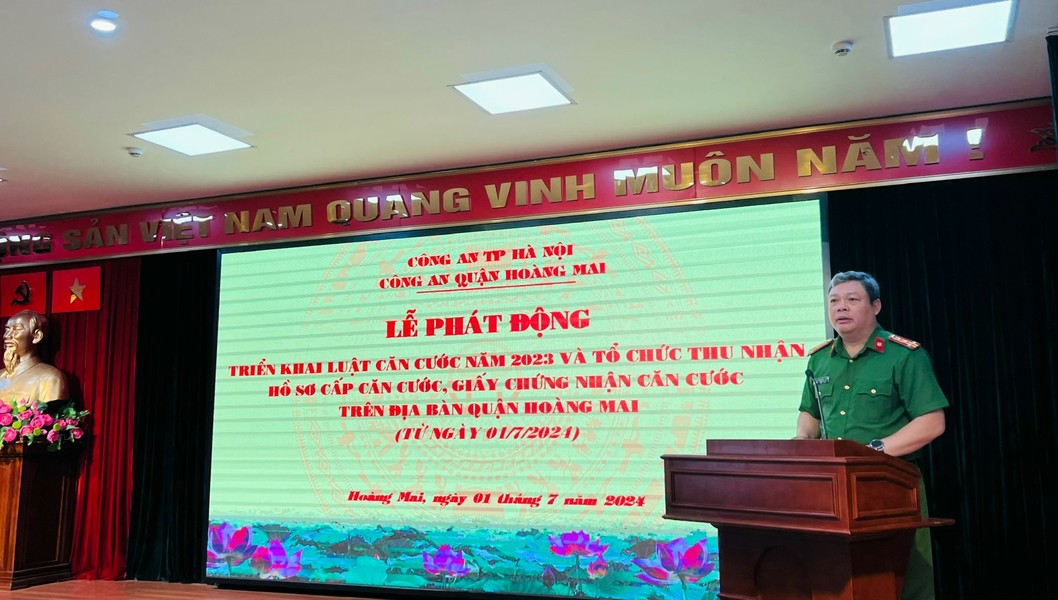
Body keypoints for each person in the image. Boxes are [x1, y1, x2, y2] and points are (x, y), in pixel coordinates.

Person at [795, 271, 947, 600]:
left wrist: (873, 450)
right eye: (834, 301)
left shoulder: (904, 355)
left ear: (875, 306)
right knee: (838, 578)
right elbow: (810, 415)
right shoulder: (819, 359)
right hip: (832, 489)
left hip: (889, 486)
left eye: (852, 299)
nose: (841, 307)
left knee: (899, 579)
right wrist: (801, 444)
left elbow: (932, 422)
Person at [0, 309, 68, 406]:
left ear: (36, 336)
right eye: (7, 329)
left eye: (17, 329)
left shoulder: (50, 378)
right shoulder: (1, 376)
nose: (7, 336)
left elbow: (52, 413)